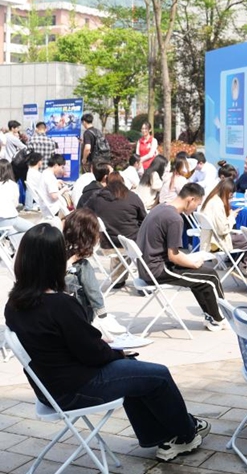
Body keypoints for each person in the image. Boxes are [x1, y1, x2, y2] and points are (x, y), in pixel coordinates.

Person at [4, 224, 210, 462]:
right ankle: (187, 432)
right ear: (55, 261)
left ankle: (163, 436)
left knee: (134, 370)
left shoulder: (14, 304)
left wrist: (113, 352)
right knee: (158, 375)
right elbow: (93, 354)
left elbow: (66, 344)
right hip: (76, 388)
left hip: (49, 389)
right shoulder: (59, 304)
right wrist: (115, 351)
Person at [136, 182, 227, 332]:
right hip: (157, 269)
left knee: (201, 277)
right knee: (211, 276)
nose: (196, 208)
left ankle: (212, 317)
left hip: (147, 266)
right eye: (197, 204)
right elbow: (174, 256)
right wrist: (193, 263)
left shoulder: (160, 207)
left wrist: (191, 262)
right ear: (190, 199)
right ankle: (220, 318)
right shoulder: (174, 219)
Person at [63, 208, 127, 334]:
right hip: (56, 290)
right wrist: (74, 259)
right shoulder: (58, 245)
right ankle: (101, 315)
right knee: (83, 270)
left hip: (54, 293)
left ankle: (101, 315)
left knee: (82, 272)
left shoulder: (62, 241)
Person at [86, 171, 147, 288]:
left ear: (106, 183)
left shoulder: (97, 197)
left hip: (107, 244)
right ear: (123, 182)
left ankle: (117, 279)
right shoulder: (133, 197)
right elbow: (143, 219)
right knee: (135, 239)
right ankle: (144, 279)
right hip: (131, 243)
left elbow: (85, 211)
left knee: (118, 238)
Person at [199, 179, 247, 256]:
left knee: (246, 237)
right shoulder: (217, 204)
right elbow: (222, 230)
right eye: (231, 194)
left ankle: (238, 263)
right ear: (228, 192)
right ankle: (243, 264)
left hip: (209, 238)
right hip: (218, 242)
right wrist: (232, 217)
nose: (231, 197)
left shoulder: (211, 199)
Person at [0, 159, 33, 247]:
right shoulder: (13, 185)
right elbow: (16, 204)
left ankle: (9, 241)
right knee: (33, 229)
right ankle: (12, 243)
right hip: (11, 219)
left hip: (2, 221)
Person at [39, 154, 70, 218]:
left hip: (45, 207)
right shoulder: (50, 177)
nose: (61, 170)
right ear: (55, 165)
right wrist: (64, 189)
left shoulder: (45, 173)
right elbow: (54, 196)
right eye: (61, 167)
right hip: (53, 209)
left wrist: (56, 182)